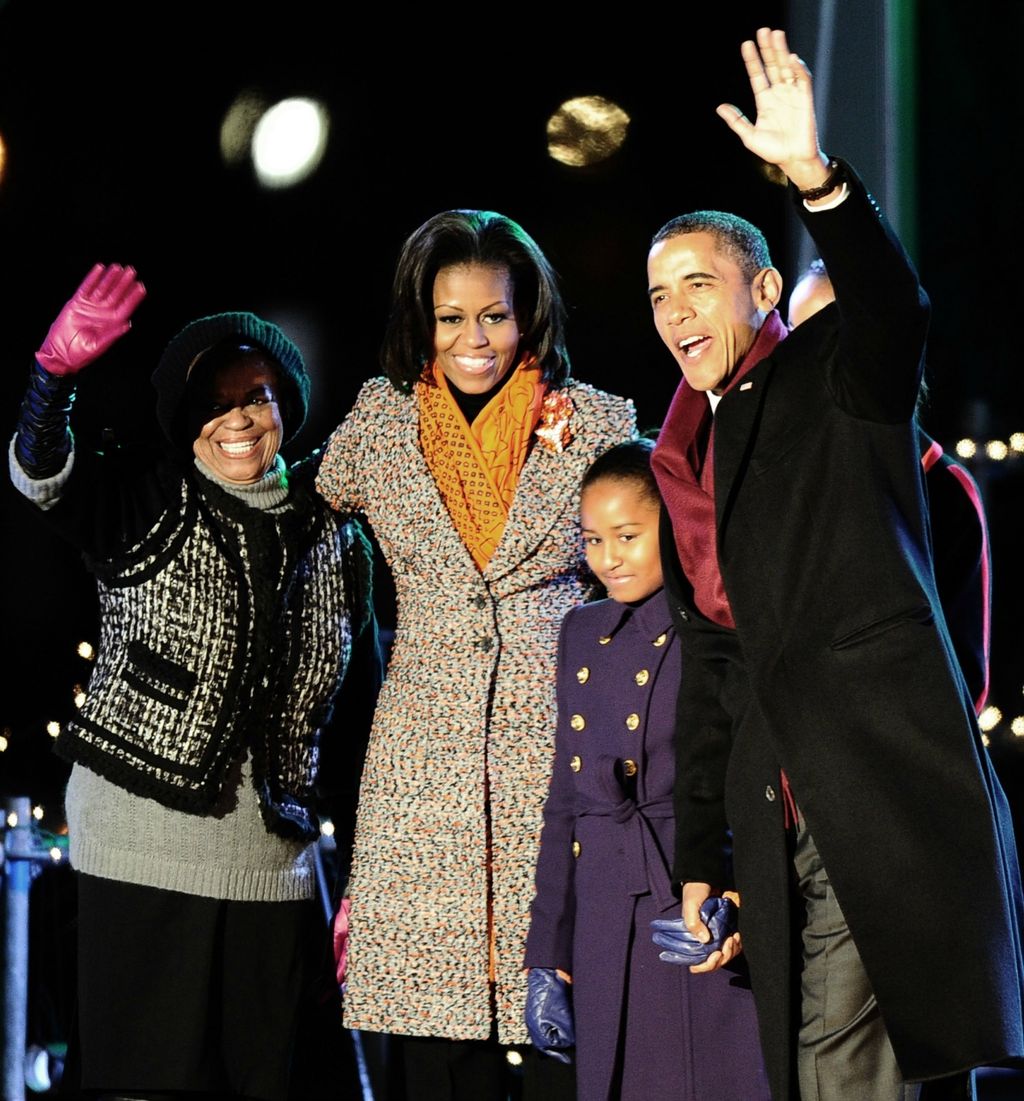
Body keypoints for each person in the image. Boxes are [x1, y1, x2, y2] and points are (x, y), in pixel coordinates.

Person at [646, 27, 1024, 1101]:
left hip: (878, 790)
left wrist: (814, 178)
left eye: (697, 285)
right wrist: (701, 856)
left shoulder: (831, 376)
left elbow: (892, 309)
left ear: (762, 288)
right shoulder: (686, 454)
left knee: (843, 1073)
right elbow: (715, 667)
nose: (675, 312)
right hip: (781, 811)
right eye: (658, 294)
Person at [9, 263, 374, 1100]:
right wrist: (49, 383)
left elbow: (358, 722)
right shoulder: (149, 501)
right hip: (138, 859)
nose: (240, 417)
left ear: (287, 404)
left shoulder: (334, 535)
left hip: (272, 873)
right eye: (216, 400)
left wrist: (361, 874)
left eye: (257, 394)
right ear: (187, 419)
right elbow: (47, 481)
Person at [315, 209, 636, 1099]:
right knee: (435, 1053)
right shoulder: (377, 429)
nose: (473, 339)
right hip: (421, 782)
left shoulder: (601, 425)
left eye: (493, 315)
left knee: (564, 1045)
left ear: (528, 314)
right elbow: (301, 512)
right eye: (450, 317)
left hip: (561, 768)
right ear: (422, 320)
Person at [523, 438, 770, 1100]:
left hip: (688, 891)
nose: (608, 558)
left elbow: (746, 778)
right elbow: (564, 803)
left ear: (673, 522)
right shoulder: (580, 629)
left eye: (627, 535)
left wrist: (737, 892)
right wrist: (546, 948)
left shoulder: (718, 624)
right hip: (606, 909)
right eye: (593, 539)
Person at [788, 259, 991, 713]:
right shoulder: (776, 467)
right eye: (799, 335)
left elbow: (966, 678)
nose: (814, 357)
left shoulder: (941, 486)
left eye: (835, 335)